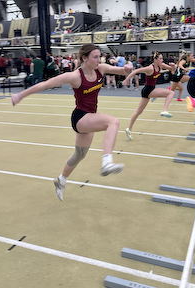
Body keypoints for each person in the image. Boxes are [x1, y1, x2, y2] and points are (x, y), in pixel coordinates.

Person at [11, 43, 133, 201]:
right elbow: (46, 84)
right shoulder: (75, 76)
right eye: (95, 57)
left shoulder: (100, 69)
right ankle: (107, 162)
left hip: (90, 117)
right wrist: (20, 96)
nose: (99, 60)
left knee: (79, 155)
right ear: (84, 58)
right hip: (80, 117)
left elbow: (123, 71)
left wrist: (128, 68)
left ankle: (60, 180)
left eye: (99, 57)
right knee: (113, 122)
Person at [123, 51, 176, 140]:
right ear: (155, 60)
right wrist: (127, 79)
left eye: (162, 58)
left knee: (138, 112)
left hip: (150, 90)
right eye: (160, 58)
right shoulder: (150, 68)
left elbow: (171, 69)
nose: (162, 60)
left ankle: (129, 129)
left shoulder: (161, 65)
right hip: (148, 90)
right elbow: (136, 70)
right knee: (171, 93)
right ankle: (164, 110)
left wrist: (173, 66)